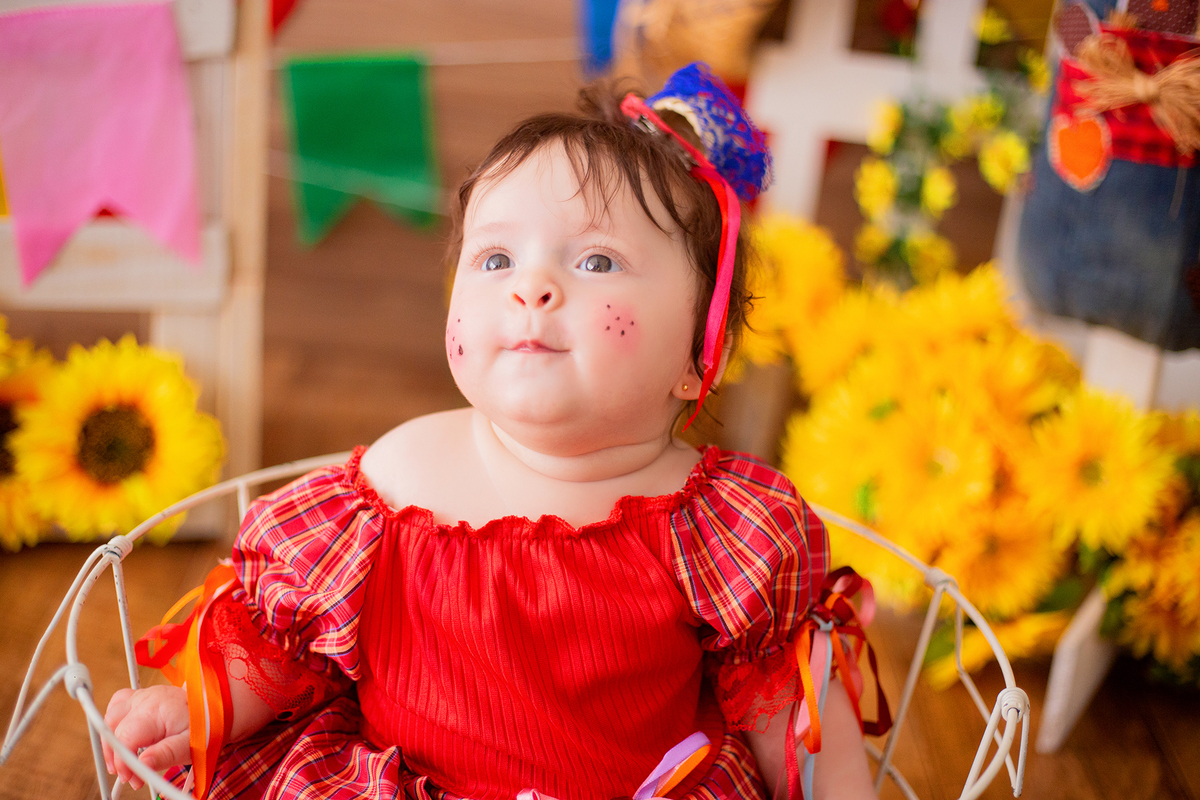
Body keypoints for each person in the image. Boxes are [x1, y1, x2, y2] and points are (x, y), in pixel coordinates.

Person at [103, 63, 884, 800]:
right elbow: (283, 649)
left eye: (600, 262)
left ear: (698, 355)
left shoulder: (727, 530)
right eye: (497, 257)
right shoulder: (396, 479)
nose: (530, 288)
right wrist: (197, 710)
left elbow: (795, 717)